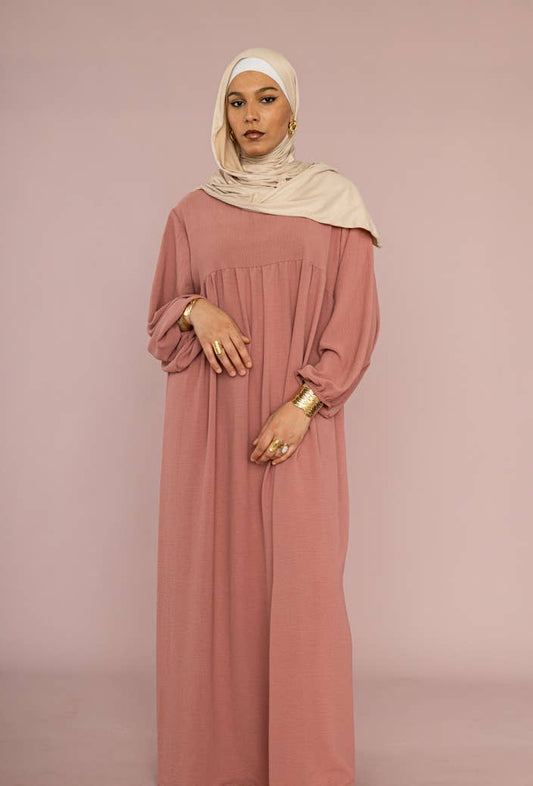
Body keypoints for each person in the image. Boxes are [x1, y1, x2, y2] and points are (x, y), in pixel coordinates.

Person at [146, 46, 381, 786]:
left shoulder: (335, 202)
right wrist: (197, 308)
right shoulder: (191, 213)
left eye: (266, 99)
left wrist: (304, 404)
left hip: (297, 427)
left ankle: (305, 767)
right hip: (210, 432)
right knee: (218, 592)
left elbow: (355, 321)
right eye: (237, 101)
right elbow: (160, 323)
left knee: (304, 594)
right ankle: (216, 764)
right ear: (223, 113)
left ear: (292, 111)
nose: (251, 115)